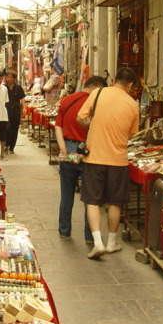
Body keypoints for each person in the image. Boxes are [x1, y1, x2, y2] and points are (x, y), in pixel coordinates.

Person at [76, 68, 140, 260]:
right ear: (130, 85)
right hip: (118, 160)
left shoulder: (98, 93)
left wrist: (92, 126)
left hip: (94, 157)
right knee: (115, 202)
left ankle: (98, 243)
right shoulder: (132, 104)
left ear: (114, 80)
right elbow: (131, 134)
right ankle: (111, 243)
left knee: (92, 201)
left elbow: (80, 118)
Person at [54, 76, 106, 243]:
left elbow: (58, 126)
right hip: (88, 152)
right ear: (97, 87)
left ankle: (64, 231)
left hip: (68, 149)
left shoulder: (67, 100)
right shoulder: (96, 103)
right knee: (89, 197)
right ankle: (90, 236)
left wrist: (62, 147)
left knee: (66, 194)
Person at [4, 70, 25, 154]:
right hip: (6, 109)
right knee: (7, 128)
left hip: (16, 110)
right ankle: (6, 144)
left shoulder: (18, 88)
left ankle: (12, 147)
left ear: (14, 78)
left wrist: (24, 108)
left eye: (11, 77)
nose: (9, 79)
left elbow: (22, 98)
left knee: (15, 128)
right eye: (7, 77)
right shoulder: (3, 88)